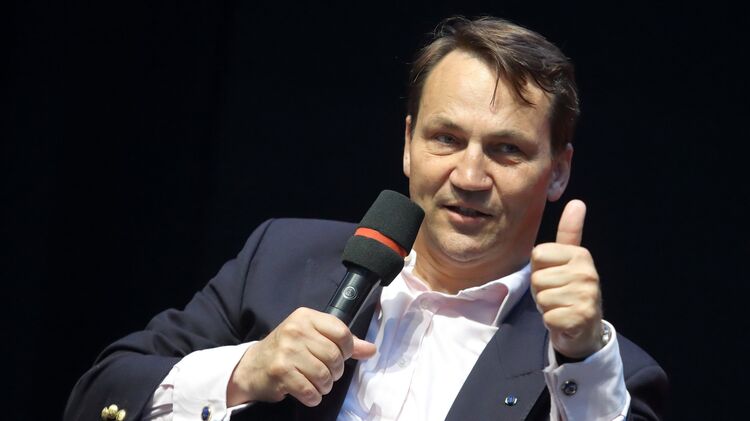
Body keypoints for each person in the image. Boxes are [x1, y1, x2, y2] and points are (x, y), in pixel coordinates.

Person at [65, 16, 668, 421]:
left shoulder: (598, 369)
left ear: (558, 172)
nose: (469, 175)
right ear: (408, 144)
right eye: (446, 138)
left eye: (506, 149)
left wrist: (582, 357)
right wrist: (244, 371)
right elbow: (99, 396)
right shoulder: (280, 258)